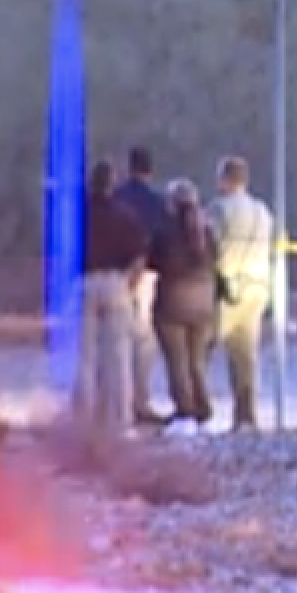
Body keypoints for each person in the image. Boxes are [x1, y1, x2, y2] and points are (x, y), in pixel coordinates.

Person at [77, 161, 149, 435]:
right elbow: (139, 257)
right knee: (118, 357)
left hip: (84, 282)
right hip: (115, 282)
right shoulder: (124, 215)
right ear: (112, 183)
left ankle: (84, 421)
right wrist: (129, 285)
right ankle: (120, 421)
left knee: (84, 358)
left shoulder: (77, 214)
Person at [146, 179, 222, 434]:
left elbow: (152, 262)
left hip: (172, 301)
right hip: (204, 303)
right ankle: (205, 412)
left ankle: (185, 412)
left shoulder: (164, 233)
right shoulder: (208, 233)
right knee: (197, 361)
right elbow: (216, 259)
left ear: (172, 204)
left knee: (178, 361)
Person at [207, 154, 276, 431]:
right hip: (257, 289)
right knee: (245, 357)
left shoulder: (219, 209)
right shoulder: (263, 211)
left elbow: (208, 246)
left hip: (228, 288)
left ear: (225, 179)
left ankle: (195, 412)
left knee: (201, 351)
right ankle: (246, 416)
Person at [112, 147, 172, 426]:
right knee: (143, 340)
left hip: (117, 273)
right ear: (150, 170)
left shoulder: (118, 197)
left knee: (117, 339)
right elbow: (163, 237)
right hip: (147, 273)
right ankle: (140, 399)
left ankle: (117, 402)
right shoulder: (157, 202)